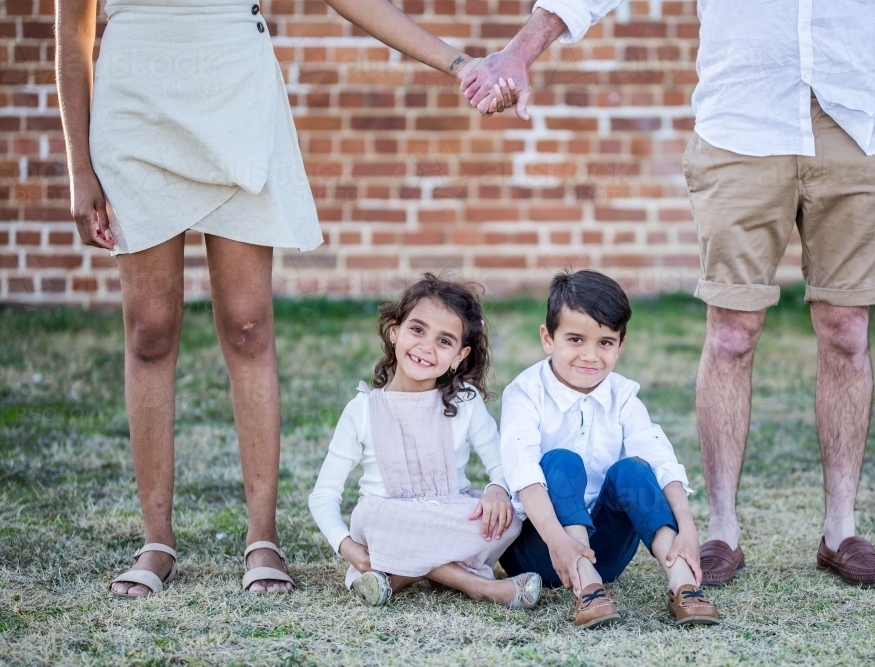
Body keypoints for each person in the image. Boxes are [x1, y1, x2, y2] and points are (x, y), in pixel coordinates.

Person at [463, 0, 875, 590]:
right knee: (731, 334)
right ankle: (721, 532)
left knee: (848, 331)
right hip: (741, 126)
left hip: (861, 133)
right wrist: (521, 50)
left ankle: (841, 531)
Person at [55, 0, 512, 597]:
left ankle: (263, 537)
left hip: (236, 93)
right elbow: (71, 31)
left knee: (247, 325)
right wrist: (78, 167)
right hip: (134, 98)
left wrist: (456, 63)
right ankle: (156, 540)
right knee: (149, 330)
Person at [498, 270, 719, 628]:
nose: (591, 355)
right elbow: (521, 469)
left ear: (620, 345)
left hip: (605, 553)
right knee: (560, 461)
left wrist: (688, 526)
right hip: (539, 547)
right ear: (547, 338)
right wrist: (559, 541)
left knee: (633, 468)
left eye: (605, 342)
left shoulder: (623, 396)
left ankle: (682, 581)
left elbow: (660, 457)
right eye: (575, 339)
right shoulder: (524, 393)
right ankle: (587, 587)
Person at [309, 274, 541, 609]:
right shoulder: (363, 410)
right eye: (417, 330)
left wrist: (497, 489)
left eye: (444, 341)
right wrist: (347, 546)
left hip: (449, 510)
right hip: (386, 518)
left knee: (508, 519)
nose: (426, 347)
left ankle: (394, 576)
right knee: (371, 517)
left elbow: (502, 464)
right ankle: (477, 586)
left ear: (459, 356)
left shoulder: (466, 401)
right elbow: (323, 496)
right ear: (394, 331)